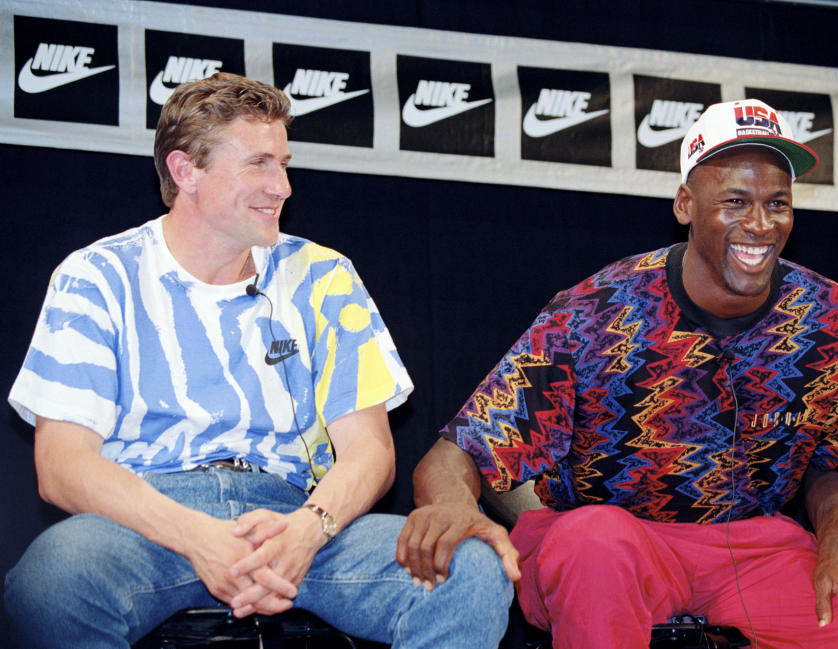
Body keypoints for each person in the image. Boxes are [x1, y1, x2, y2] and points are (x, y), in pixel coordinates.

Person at [396, 99, 838, 649]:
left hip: (754, 551)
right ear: (685, 204)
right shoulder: (593, 313)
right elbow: (456, 452)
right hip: (612, 542)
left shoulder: (837, 318)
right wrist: (456, 512)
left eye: (778, 203)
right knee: (594, 541)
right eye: (735, 201)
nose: (760, 224)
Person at [4, 72, 511, 649]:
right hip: (145, 523)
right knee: (51, 584)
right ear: (185, 170)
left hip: (299, 515)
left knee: (467, 573)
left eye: (284, 164)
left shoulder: (324, 276)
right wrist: (200, 537)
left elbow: (370, 451)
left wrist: (307, 531)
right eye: (260, 164)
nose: (284, 187)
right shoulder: (96, 276)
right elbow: (63, 465)